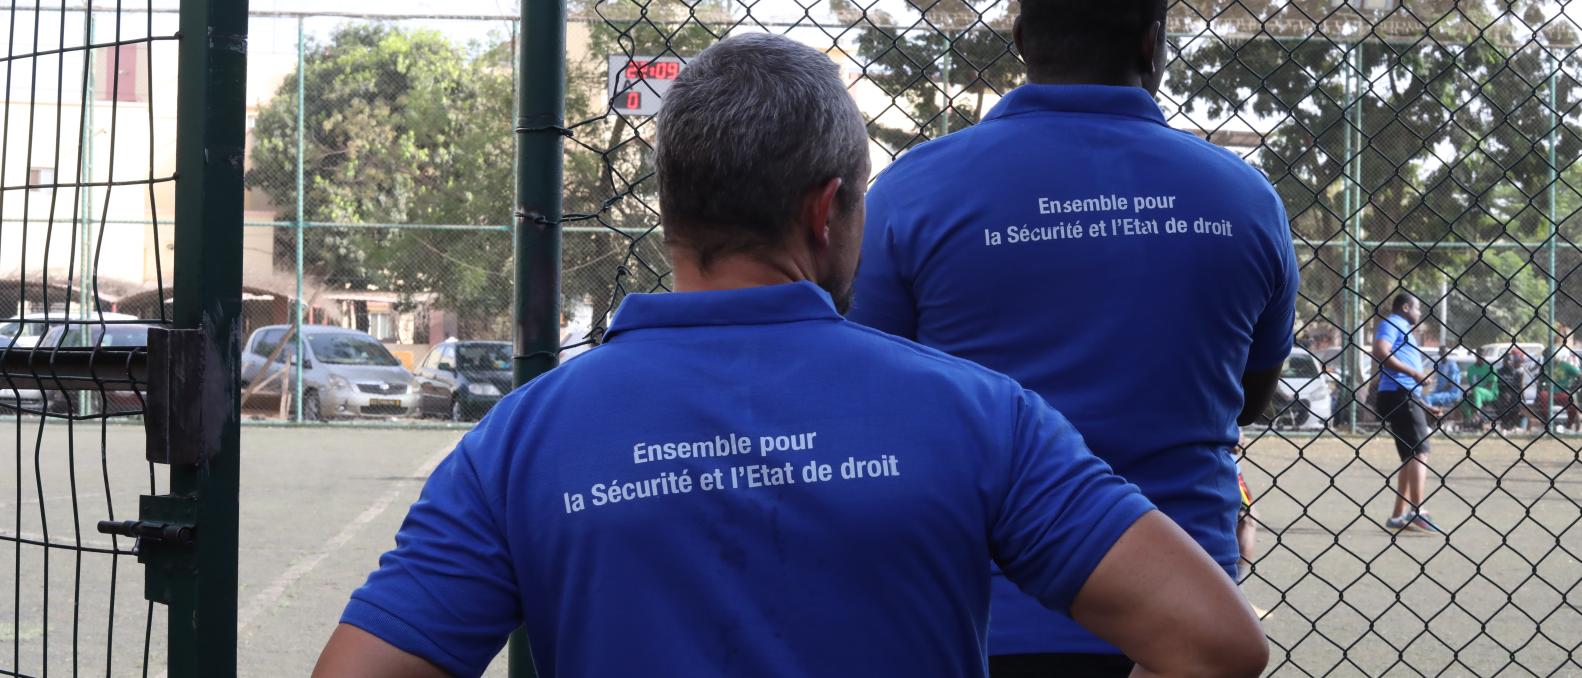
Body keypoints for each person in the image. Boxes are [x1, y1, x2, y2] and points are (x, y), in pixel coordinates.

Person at [311, 34, 1268, 678]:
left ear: (672, 208)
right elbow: (1215, 641)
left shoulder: (523, 442)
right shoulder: (980, 416)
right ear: (826, 209)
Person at [846, 1, 1298, 674]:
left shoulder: (912, 189)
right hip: (1179, 621)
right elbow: (1246, 396)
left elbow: (873, 395)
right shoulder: (1243, 198)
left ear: (1022, 38)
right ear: (1152, 45)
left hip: (981, 609)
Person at [1373, 294, 1442, 534]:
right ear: (1405, 307)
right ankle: (1417, 511)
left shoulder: (1404, 329)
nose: (1420, 313)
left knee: (1409, 456)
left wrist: (1422, 404)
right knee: (1420, 452)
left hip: (1405, 396)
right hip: (1399, 395)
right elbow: (1381, 350)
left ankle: (1398, 516)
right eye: (1417, 308)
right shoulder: (1392, 322)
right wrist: (1415, 374)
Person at [1464, 353, 1499, 430]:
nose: (1481, 360)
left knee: (1477, 390)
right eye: (1479, 358)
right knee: (1463, 401)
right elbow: (1471, 384)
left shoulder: (1490, 368)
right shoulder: (1471, 369)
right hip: (1476, 392)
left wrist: (1476, 390)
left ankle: (1477, 413)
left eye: (1482, 358)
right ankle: (1469, 420)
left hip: (1490, 393)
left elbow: (1489, 386)